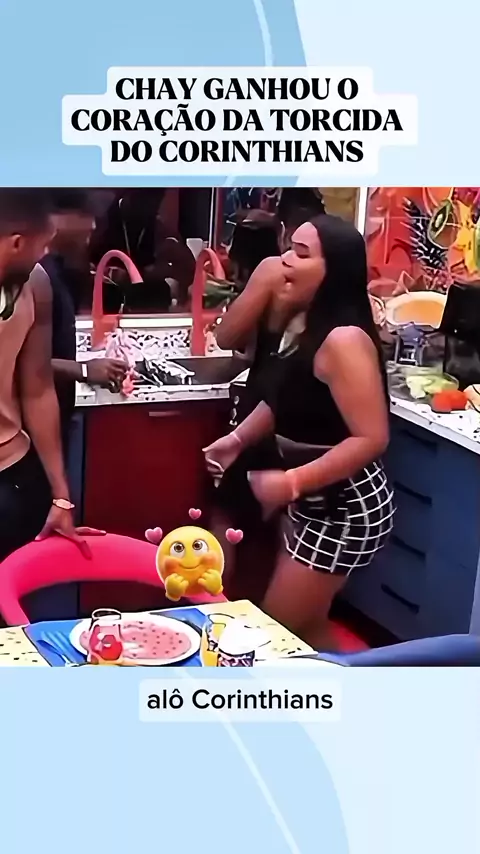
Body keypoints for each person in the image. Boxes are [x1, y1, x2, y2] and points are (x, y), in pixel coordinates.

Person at [204, 215, 394, 647]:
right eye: (289, 248)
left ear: (333, 271)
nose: (284, 260)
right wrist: (237, 440)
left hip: (346, 506)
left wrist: (292, 482)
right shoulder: (306, 323)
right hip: (318, 498)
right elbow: (285, 398)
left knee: (275, 631)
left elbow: (372, 438)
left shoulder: (344, 341)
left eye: (301, 254)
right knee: (306, 628)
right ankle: (348, 679)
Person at [0, 189, 91, 563]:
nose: (45, 255)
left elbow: (37, 389)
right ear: (17, 242)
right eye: (42, 245)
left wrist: (60, 495)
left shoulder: (36, 284)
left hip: (12, 474)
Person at [40, 191, 128, 455]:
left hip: (54, 419)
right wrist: (85, 370)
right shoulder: (36, 275)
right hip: (35, 431)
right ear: (57, 218)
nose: (92, 225)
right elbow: (17, 360)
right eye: (85, 215)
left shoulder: (56, 269)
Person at [89, 188, 195, 312]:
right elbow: (88, 266)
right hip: (109, 300)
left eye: (156, 201)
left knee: (160, 289)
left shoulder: (158, 229)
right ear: (127, 197)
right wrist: (108, 274)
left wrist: (167, 268)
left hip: (146, 304)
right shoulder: (103, 225)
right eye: (145, 200)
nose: (152, 207)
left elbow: (190, 271)